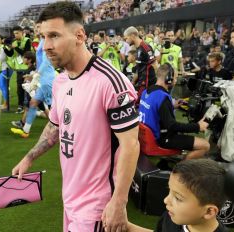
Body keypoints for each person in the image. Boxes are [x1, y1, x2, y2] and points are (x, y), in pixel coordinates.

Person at [12, 2, 140, 232]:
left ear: (79, 35)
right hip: (70, 199)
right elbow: (55, 127)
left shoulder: (111, 83)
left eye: (54, 36)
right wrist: (29, 158)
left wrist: (119, 203)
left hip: (97, 207)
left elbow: (130, 145)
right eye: (43, 37)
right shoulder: (61, 81)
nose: (46, 46)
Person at [128, 159, 228, 232]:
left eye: (178, 198)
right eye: (169, 190)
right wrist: (128, 227)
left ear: (209, 211)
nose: (166, 200)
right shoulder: (170, 217)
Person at [139, 64, 210, 160]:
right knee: (205, 145)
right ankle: (181, 169)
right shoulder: (162, 97)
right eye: (175, 77)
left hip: (146, 137)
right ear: (169, 78)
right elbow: (172, 126)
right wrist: (198, 126)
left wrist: (172, 105)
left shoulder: (146, 91)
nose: (176, 80)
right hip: (161, 138)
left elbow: (154, 109)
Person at [11, 33, 56, 138]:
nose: (37, 29)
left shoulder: (48, 44)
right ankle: (25, 131)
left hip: (47, 81)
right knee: (33, 103)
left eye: (39, 27)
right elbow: (40, 61)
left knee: (52, 109)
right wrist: (34, 74)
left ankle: (61, 130)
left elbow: (46, 62)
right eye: (36, 27)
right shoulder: (41, 42)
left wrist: (37, 74)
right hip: (42, 80)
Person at [124, 26, 157, 101]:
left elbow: (155, 65)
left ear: (132, 36)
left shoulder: (145, 47)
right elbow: (139, 68)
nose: (126, 41)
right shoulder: (138, 49)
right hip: (140, 83)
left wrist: (159, 85)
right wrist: (133, 82)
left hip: (147, 85)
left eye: (126, 38)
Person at [0, 35, 11, 112]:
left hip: (5, 68)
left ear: (1, 40)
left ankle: (6, 104)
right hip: (2, 69)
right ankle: (5, 103)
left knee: (3, 86)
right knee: (2, 86)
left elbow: (1, 58)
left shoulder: (3, 48)